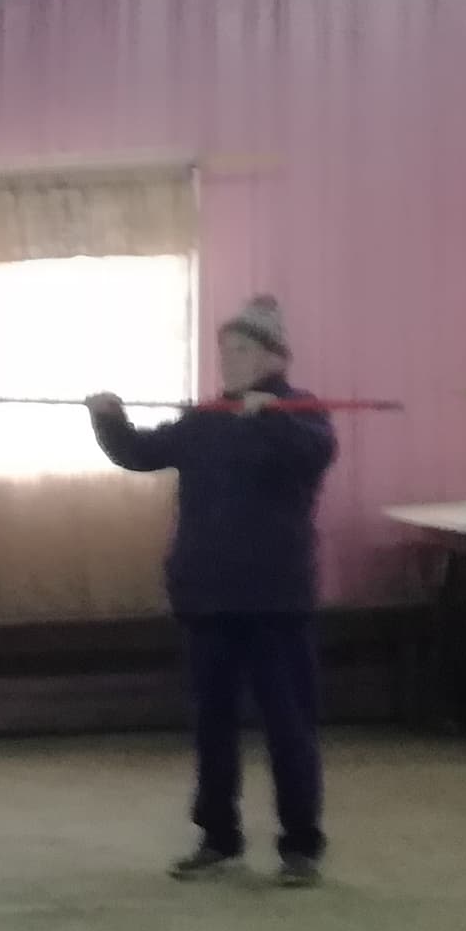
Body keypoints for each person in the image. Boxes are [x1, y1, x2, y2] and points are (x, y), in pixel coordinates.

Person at [92, 295, 339, 887]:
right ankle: (218, 838)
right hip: (206, 595)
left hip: (275, 599)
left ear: (274, 357)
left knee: (288, 725)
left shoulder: (301, 410)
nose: (229, 359)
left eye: (242, 349)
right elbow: (142, 453)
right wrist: (109, 420)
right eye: (224, 349)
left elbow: (315, 454)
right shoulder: (205, 417)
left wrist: (271, 417)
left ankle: (300, 847)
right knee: (213, 725)